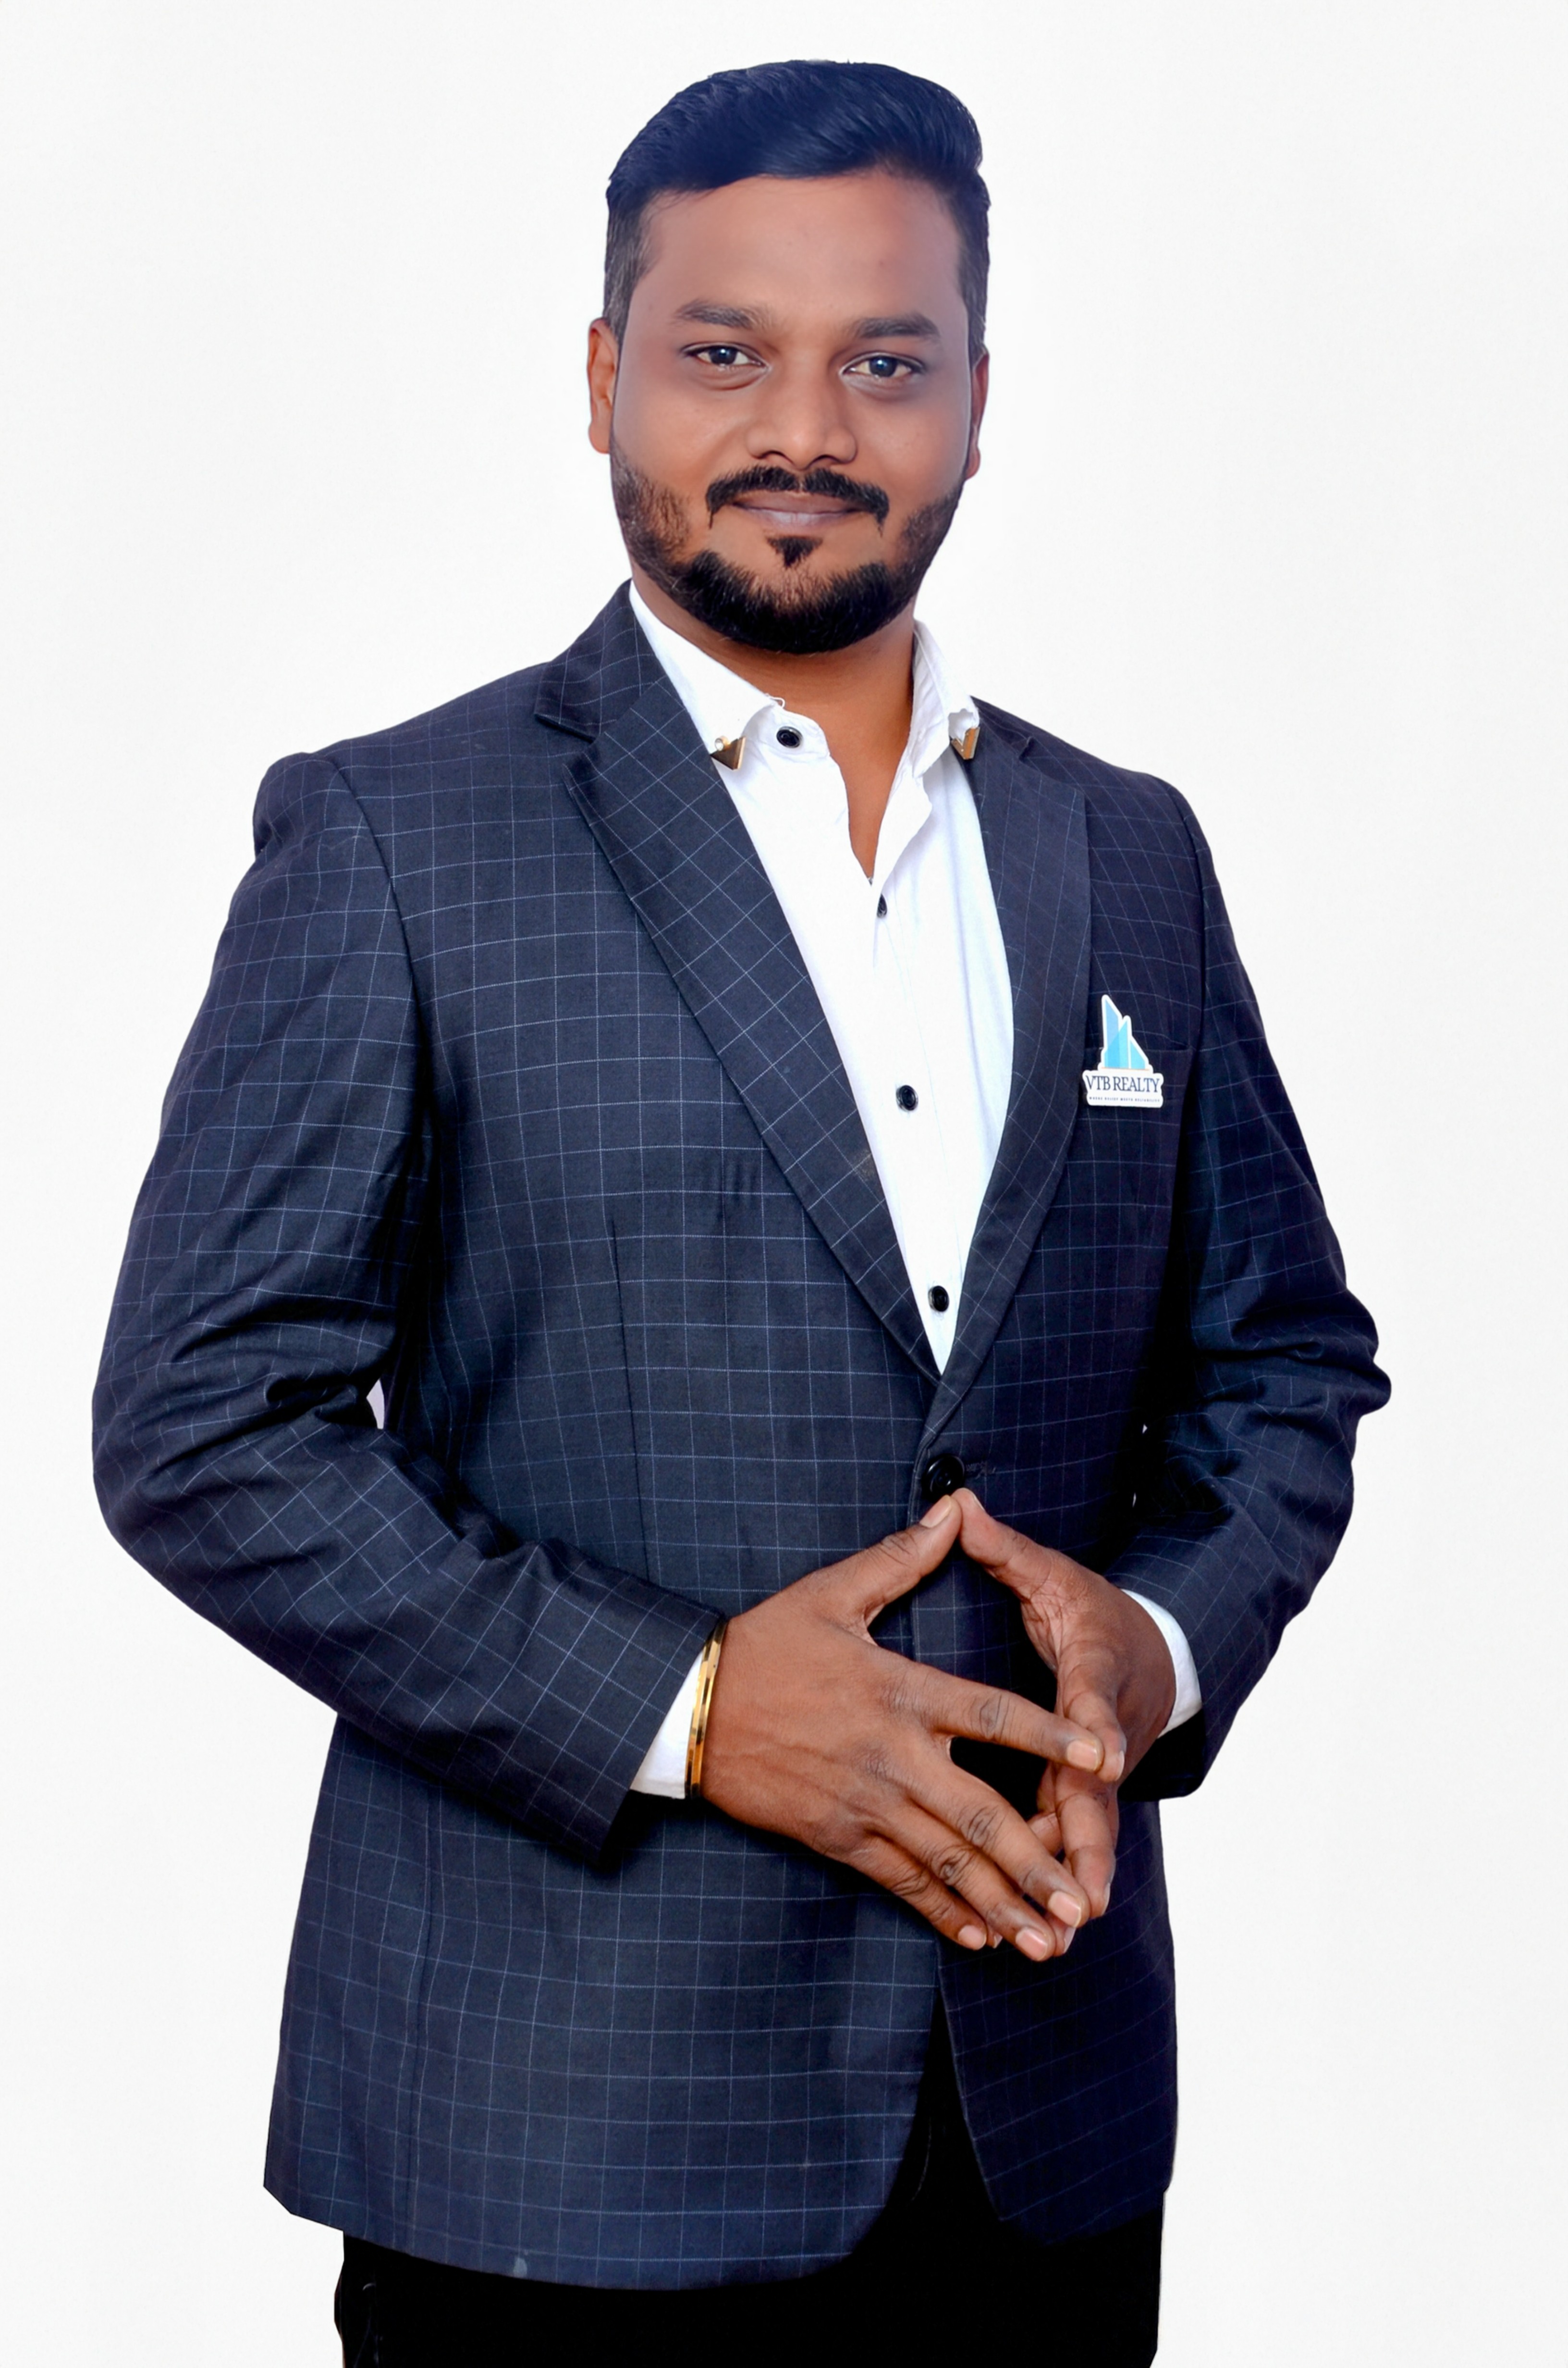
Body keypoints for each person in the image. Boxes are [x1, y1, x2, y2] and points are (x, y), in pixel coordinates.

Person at [93, 58, 1387, 2366]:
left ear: (977, 398)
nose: (806, 425)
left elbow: (1284, 1361)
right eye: (725, 349)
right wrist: (687, 1704)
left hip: (1042, 2126)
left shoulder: (1129, 854)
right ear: (605, 375)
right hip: (555, 2153)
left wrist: (1159, 1639)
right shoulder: (397, 840)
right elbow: (203, 1425)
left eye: (885, 358)